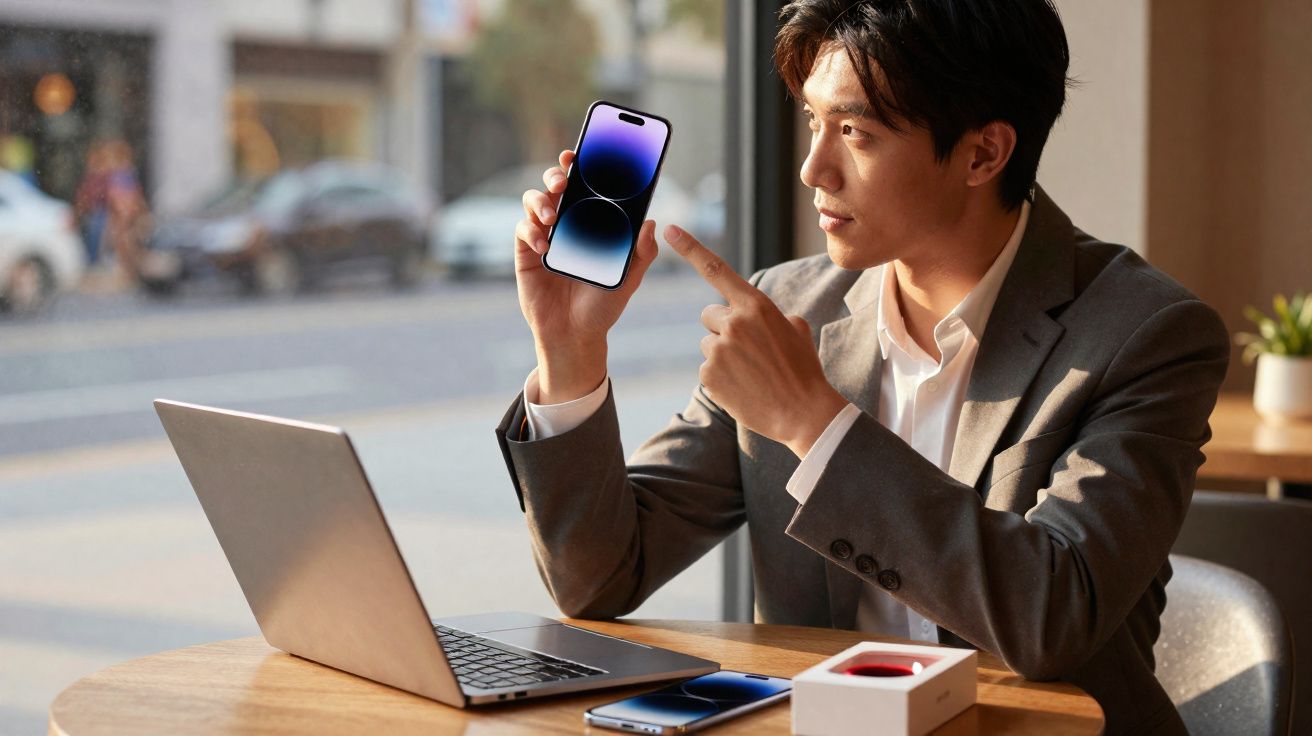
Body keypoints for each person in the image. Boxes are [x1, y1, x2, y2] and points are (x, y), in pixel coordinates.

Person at [496, 2, 1229, 733]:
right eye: (814, 122)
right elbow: (597, 579)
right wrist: (570, 352)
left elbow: (1053, 617)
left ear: (983, 154)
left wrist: (813, 422)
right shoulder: (791, 308)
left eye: (855, 133)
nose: (815, 167)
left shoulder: (1147, 335)